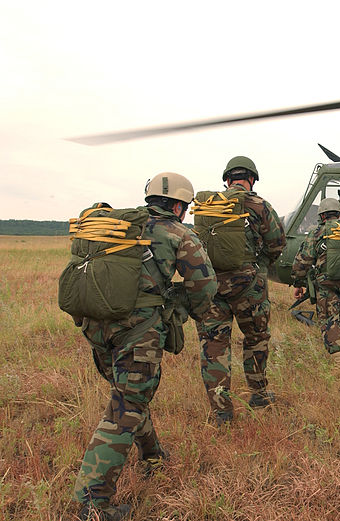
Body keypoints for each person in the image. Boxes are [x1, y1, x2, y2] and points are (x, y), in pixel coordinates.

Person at [71, 172, 217, 520]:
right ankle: (93, 503)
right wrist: (192, 313)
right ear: (180, 206)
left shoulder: (121, 227)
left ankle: (152, 455)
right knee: (127, 406)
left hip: (97, 325)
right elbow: (204, 286)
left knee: (130, 396)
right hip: (139, 333)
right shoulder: (180, 233)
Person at [195, 156, 286, 426]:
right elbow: (277, 243)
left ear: (227, 180)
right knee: (256, 338)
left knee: (214, 346)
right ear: (252, 179)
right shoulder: (259, 206)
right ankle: (258, 394)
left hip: (211, 287)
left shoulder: (209, 206)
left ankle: (222, 411)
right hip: (250, 288)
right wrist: (259, 266)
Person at [291, 198, 340, 376]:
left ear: (322, 215)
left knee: (330, 320)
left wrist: (298, 284)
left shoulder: (316, 233)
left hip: (327, 284)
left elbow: (303, 261)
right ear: (339, 214)